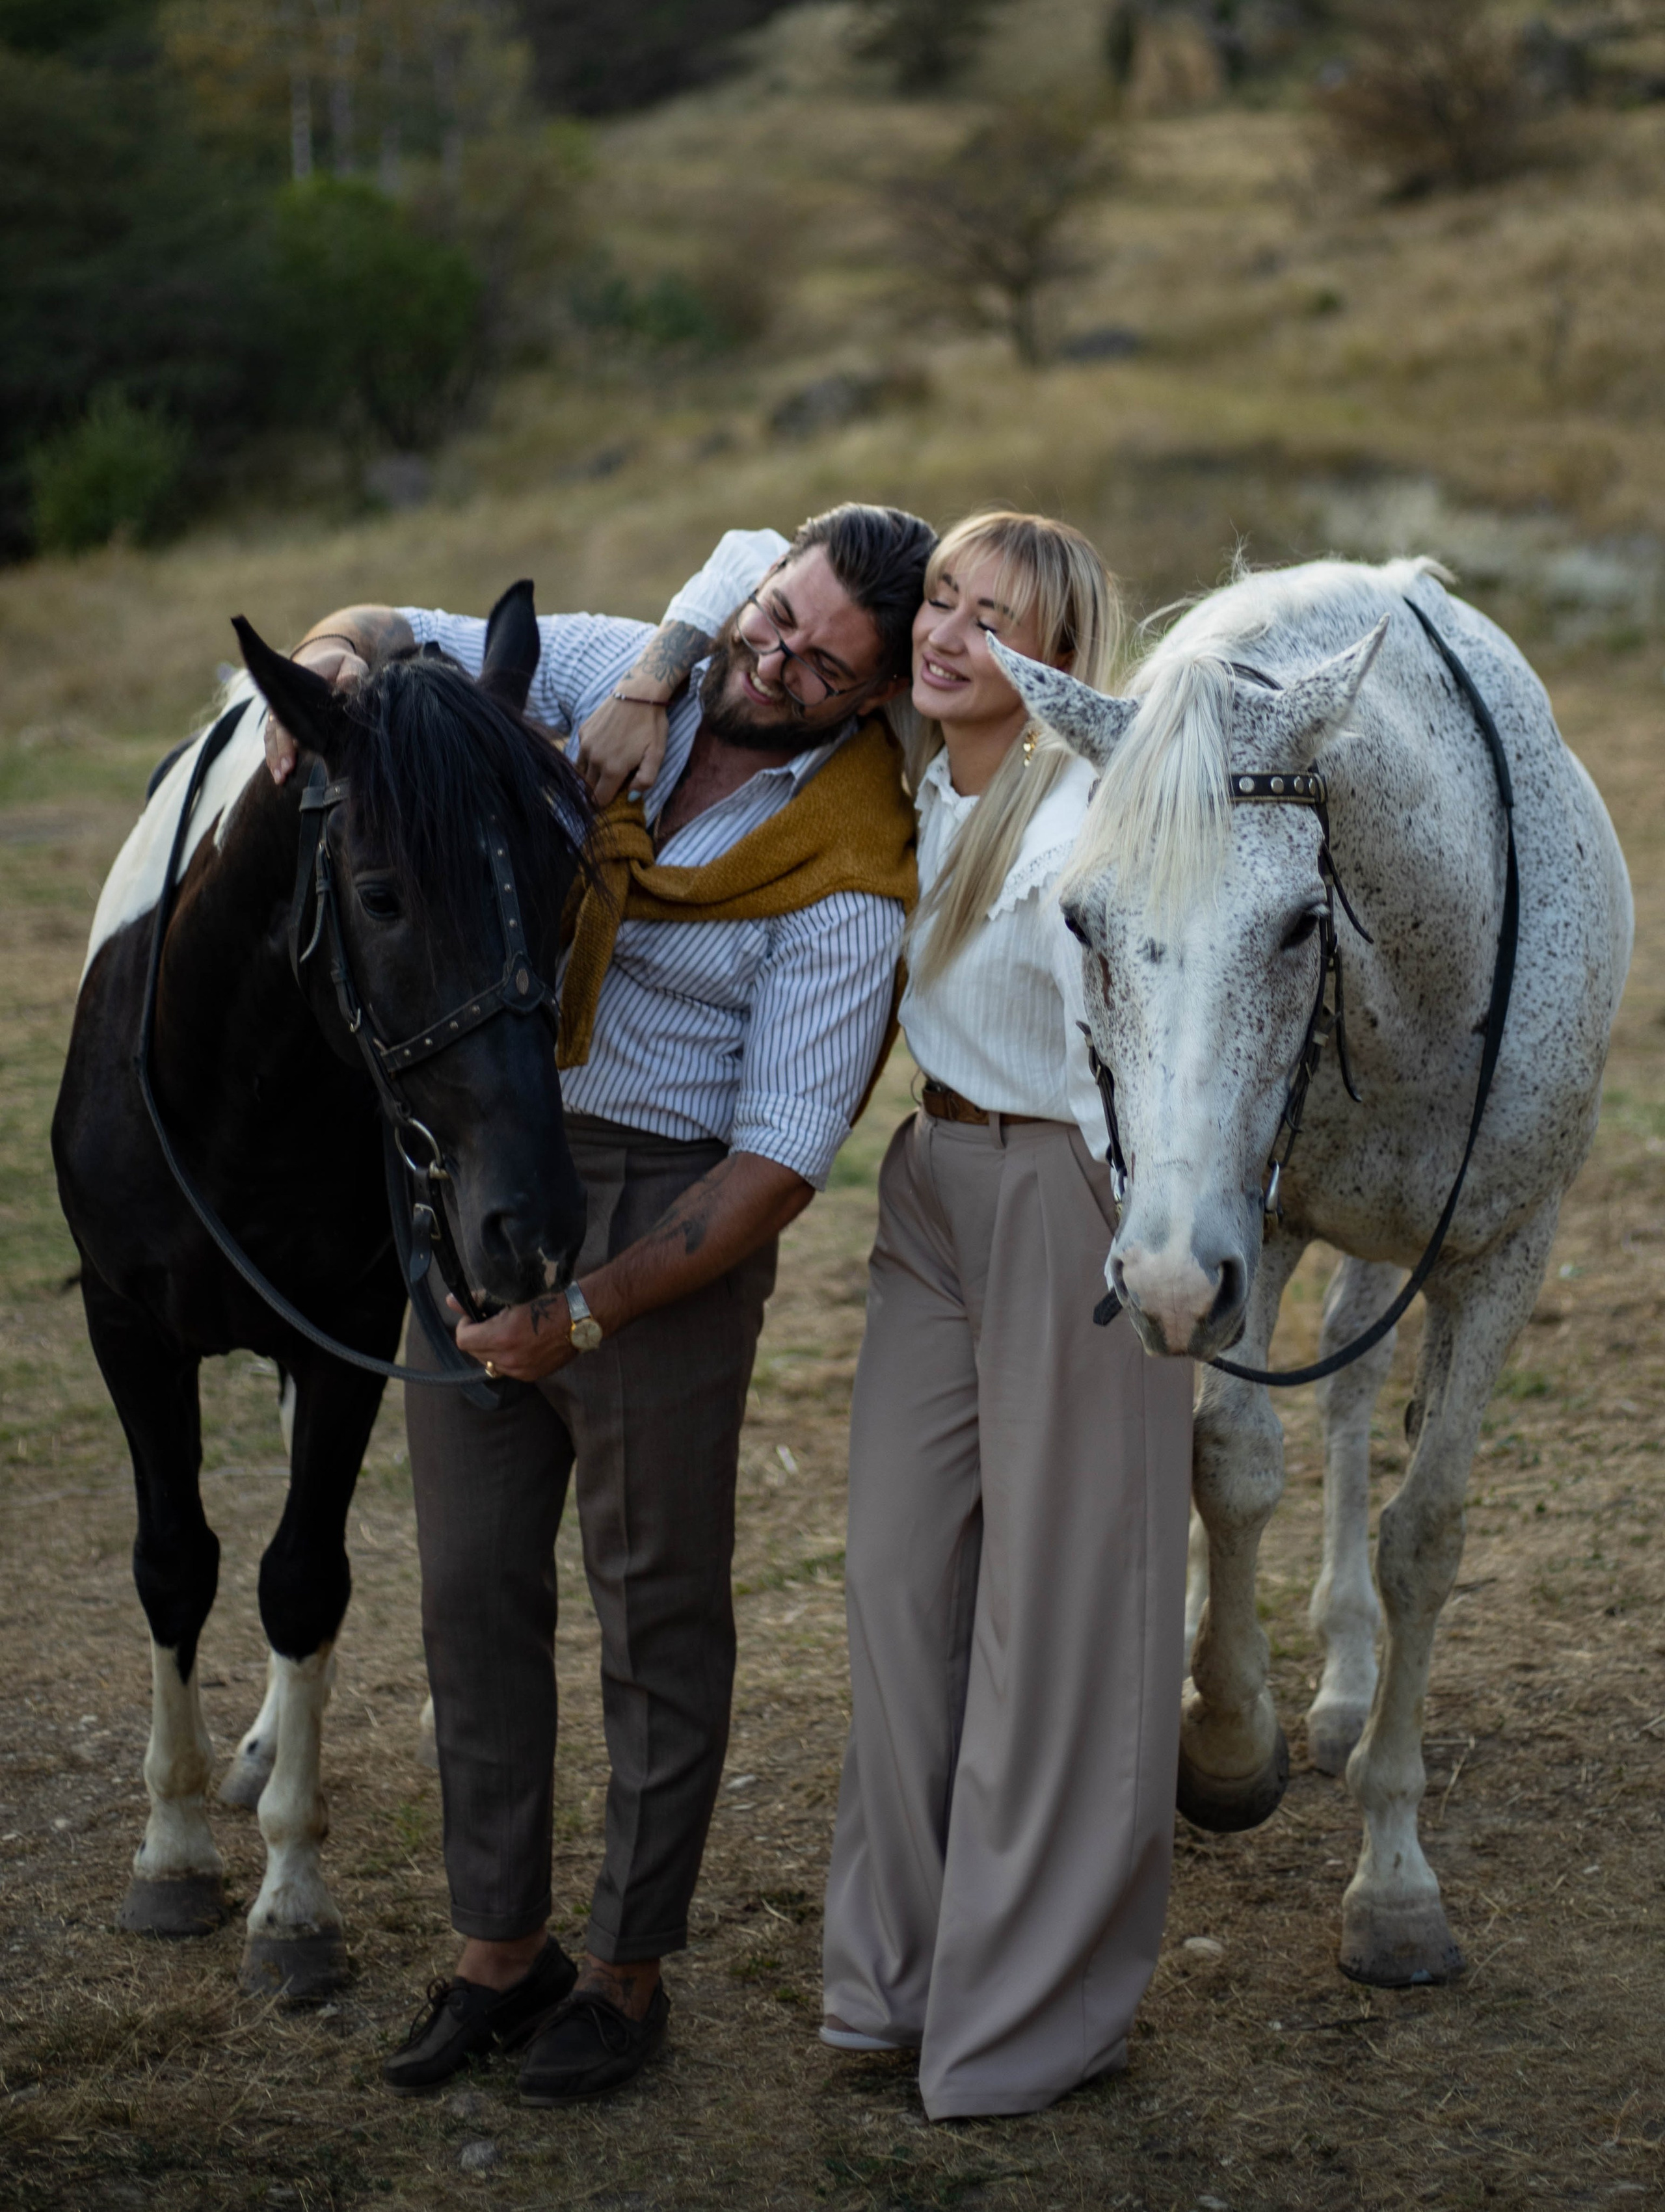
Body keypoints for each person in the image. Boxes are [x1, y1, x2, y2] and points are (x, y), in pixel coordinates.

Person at [264, 503, 935, 2104]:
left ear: (870, 701)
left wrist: (583, 1316)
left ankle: (627, 1970)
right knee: (468, 1591)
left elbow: (774, 1167)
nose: (773, 665)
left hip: (665, 1218)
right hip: (495, 1156)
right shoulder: (619, 672)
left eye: (821, 667)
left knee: (655, 1608)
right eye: (774, 620)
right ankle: (500, 1950)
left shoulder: (849, 874)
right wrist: (328, 659)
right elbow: (393, 634)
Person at [817, 512, 1195, 2120]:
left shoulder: (1087, 821)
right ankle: (889, 1981)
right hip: (931, 1193)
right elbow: (754, 558)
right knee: (897, 1580)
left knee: (1062, 1615)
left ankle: (1026, 2017)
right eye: (940, 599)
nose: (946, 633)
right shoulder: (913, 769)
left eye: (994, 619)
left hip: (1069, 1201)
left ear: (1057, 661)